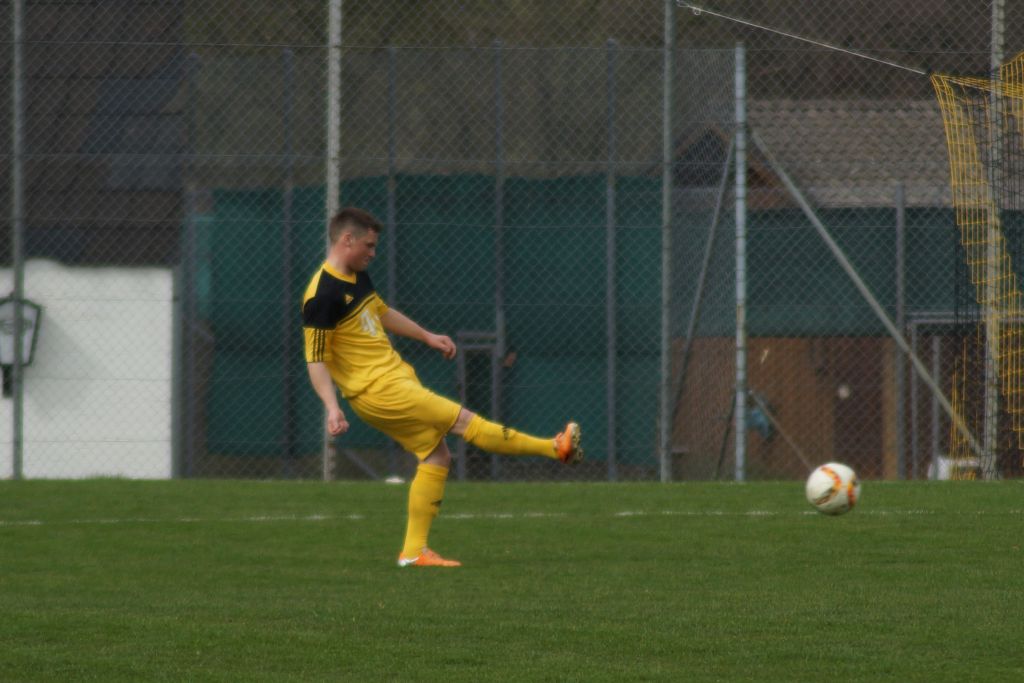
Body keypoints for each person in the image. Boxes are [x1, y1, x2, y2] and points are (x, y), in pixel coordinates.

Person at [302, 207, 583, 568]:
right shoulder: (321, 295)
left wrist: (426, 336)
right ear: (347, 240)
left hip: (393, 380)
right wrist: (331, 407)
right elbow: (315, 359)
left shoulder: (356, 276)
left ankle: (413, 552)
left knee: (437, 457)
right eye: (368, 245)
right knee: (466, 423)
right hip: (378, 390)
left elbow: (381, 313)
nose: (373, 252)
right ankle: (555, 448)